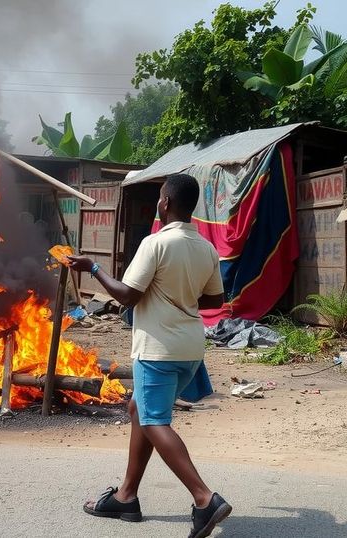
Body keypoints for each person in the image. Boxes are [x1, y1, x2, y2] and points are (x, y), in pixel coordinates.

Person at [67, 173, 231, 538]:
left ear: (166, 203)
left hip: (157, 350)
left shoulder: (155, 243)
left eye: (160, 195)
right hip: (190, 351)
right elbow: (215, 301)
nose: (159, 201)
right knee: (138, 409)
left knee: (155, 420)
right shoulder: (206, 249)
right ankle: (127, 496)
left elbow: (126, 295)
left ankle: (205, 499)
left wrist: (93, 268)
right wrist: (178, 292)